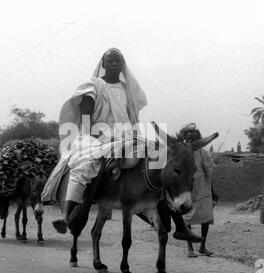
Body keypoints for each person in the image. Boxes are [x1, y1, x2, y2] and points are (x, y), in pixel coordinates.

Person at [42, 48, 201, 242]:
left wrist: (129, 136)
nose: (115, 63)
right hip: (94, 136)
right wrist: (106, 136)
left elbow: (131, 118)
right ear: (103, 64)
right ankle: (66, 216)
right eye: (110, 60)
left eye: (118, 60)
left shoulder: (129, 90)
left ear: (123, 64)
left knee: (162, 159)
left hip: (126, 136)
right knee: (86, 164)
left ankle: (180, 226)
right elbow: (86, 121)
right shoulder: (92, 86)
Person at [181, 123, 216, 257]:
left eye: (193, 139)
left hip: (204, 191)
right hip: (189, 191)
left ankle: (202, 246)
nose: (190, 141)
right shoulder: (183, 155)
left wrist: (213, 191)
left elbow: (209, 174)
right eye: (188, 139)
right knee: (187, 219)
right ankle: (190, 248)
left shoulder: (204, 154)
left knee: (205, 219)